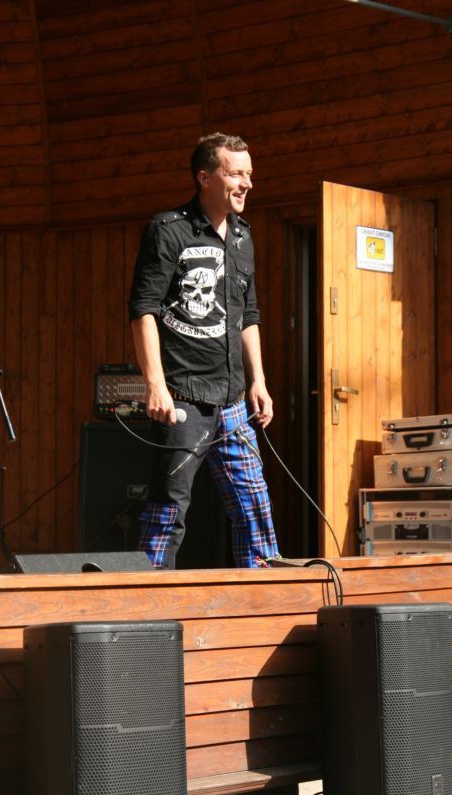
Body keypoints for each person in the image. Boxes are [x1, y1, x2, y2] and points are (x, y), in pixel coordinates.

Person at [128, 132, 279, 568]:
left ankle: (265, 597)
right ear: (205, 177)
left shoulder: (243, 237)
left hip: (233, 401)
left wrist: (258, 381)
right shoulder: (168, 230)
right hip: (184, 397)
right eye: (236, 174)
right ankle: (148, 600)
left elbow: (248, 315)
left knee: (254, 508)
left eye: (249, 174)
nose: (247, 183)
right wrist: (155, 385)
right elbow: (143, 310)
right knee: (168, 510)